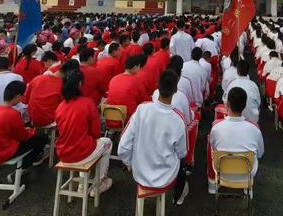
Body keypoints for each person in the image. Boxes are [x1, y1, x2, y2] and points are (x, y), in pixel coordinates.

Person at [118, 70, 189, 205]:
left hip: (139, 173)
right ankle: (180, 194)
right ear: (175, 90)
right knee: (183, 160)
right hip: (166, 176)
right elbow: (181, 153)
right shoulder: (178, 119)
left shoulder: (142, 110)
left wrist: (130, 163)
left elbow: (123, 147)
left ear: (157, 86)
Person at [55, 70, 113, 196]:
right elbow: (96, 133)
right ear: (80, 84)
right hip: (81, 152)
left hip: (63, 153)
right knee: (107, 142)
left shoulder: (60, 106)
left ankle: (82, 184)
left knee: (85, 144)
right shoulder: (87, 103)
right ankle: (99, 183)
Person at [0, 80, 48, 169]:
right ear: (18, 96)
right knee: (41, 138)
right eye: (22, 96)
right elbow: (22, 136)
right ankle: (24, 168)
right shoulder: (13, 113)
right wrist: (31, 131)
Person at [207, 87, 264, 194]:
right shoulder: (255, 128)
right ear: (245, 105)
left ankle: (212, 183)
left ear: (227, 104)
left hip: (221, 172)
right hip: (248, 173)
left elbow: (213, 148)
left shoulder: (216, 127)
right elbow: (260, 153)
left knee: (210, 143)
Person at [25, 60, 78, 128]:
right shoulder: (62, 86)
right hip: (49, 121)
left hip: (32, 118)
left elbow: (26, 99)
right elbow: (64, 106)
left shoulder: (38, 78)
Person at [107, 55, 149, 125]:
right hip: (129, 119)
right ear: (135, 67)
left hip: (110, 117)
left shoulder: (114, 78)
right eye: (139, 66)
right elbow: (144, 99)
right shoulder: (136, 81)